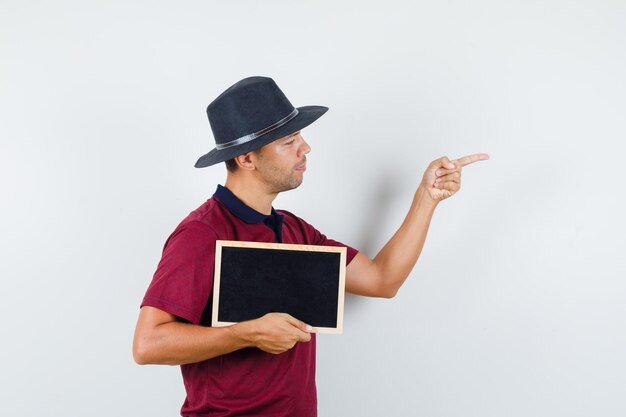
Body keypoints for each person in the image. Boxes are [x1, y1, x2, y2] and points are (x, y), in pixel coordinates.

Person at [132, 76, 489, 417]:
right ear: (246, 159)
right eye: (288, 142)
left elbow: (383, 280)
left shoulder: (295, 231)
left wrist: (426, 198)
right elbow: (147, 344)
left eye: (299, 135)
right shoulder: (200, 233)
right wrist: (247, 332)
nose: (305, 148)